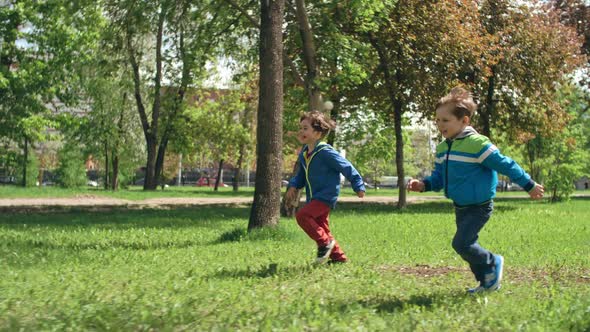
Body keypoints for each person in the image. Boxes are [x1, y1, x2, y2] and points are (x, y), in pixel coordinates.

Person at [407, 87, 544, 293]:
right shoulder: (444, 148)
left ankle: (493, 262)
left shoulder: (477, 144)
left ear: (464, 121)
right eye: (437, 120)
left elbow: (506, 164)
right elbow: (439, 177)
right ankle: (487, 281)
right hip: (460, 206)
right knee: (466, 246)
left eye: (445, 120)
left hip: (479, 206)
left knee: (461, 243)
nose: (440, 125)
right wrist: (424, 184)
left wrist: (528, 184)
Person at [286, 111, 366, 265]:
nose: (301, 131)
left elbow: (346, 167)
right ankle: (338, 258)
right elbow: (301, 174)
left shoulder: (325, 152)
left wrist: (358, 185)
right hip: (314, 197)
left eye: (305, 128)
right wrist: (294, 186)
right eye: (300, 128)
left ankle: (324, 244)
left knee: (303, 216)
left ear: (317, 133)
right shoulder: (305, 153)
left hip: (326, 196)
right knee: (323, 227)